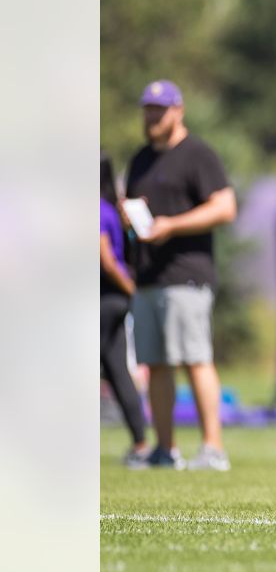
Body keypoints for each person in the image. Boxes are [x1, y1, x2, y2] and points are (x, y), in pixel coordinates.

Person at [124, 80, 238, 471]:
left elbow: (224, 207)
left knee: (195, 359)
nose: (153, 117)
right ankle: (165, 449)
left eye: (160, 109)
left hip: (186, 275)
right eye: (148, 109)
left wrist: (172, 225)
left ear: (179, 110)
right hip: (149, 275)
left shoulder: (198, 154)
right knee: (155, 364)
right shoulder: (141, 159)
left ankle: (212, 448)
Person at [100, 152, 149, 467]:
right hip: (117, 302)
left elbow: (105, 258)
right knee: (118, 371)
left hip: (104, 298)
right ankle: (141, 444)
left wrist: (130, 288)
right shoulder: (110, 209)